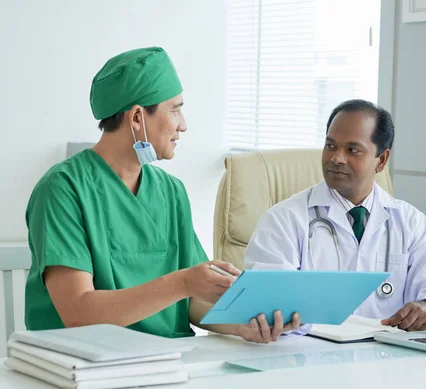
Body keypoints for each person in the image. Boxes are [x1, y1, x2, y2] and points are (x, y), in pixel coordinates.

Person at [24, 46, 299, 341]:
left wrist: (240, 326)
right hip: (85, 367)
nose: (183, 125)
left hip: (167, 362)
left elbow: (192, 302)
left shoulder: (171, 191)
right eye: (175, 109)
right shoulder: (63, 189)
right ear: (138, 118)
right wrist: (182, 282)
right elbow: (79, 313)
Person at [245, 99, 426, 336]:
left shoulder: (408, 221)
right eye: (330, 146)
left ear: (382, 160)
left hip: (386, 358)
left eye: (352, 150)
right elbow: (267, 301)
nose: (337, 158)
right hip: (307, 356)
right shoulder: (283, 219)